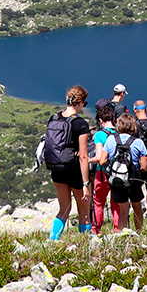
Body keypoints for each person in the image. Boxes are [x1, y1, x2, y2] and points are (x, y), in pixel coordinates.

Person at [44, 85, 92, 239]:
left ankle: (52, 239)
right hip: (74, 170)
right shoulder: (81, 124)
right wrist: (85, 184)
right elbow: (83, 156)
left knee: (64, 209)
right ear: (80, 102)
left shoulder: (54, 117)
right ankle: (84, 244)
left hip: (56, 169)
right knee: (84, 212)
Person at [97, 112, 147, 232]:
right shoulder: (138, 142)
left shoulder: (111, 139)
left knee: (123, 209)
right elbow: (144, 166)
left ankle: (122, 234)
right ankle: (139, 232)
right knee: (137, 206)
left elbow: (101, 161)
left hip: (117, 179)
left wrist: (112, 165)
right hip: (134, 180)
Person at [87, 102, 116, 235]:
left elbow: (99, 157)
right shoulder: (119, 132)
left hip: (102, 172)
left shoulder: (99, 135)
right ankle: (117, 228)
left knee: (99, 202)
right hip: (118, 172)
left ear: (100, 120)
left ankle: (96, 230)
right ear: (113, 119)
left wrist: (86, 159)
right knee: (116, 202)